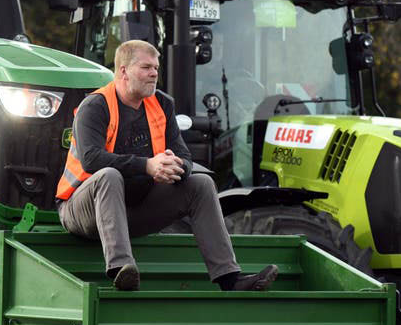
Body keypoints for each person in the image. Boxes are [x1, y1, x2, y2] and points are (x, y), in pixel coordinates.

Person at [57, 39, 278, 292]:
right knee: (109, 176)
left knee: (201, 183)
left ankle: (230, 279)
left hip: (131, 210)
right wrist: (148, 166)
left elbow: (184, 155)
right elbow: (91, 159)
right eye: (146, 67)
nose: (154, 73)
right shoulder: (95, 106)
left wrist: (176, 167)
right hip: (82, 211)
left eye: (156, 68)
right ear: (123, 71)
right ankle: (121, 269)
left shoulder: (162, 104)